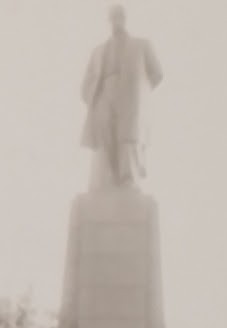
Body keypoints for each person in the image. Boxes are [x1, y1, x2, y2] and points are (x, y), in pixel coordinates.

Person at [80, 3, 163, 189]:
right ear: (109, 21)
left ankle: (128, 179)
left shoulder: (141, 45)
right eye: (113, 17)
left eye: (119, 16)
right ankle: (108, 178)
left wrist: (141, 92)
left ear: (124, 19)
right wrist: (94, 98)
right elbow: (86, 83)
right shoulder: (99, 51)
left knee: (127, 138)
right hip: (104, 95)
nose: (116, 21)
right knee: (105, 136)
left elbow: (157, 73)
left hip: (130, 96)